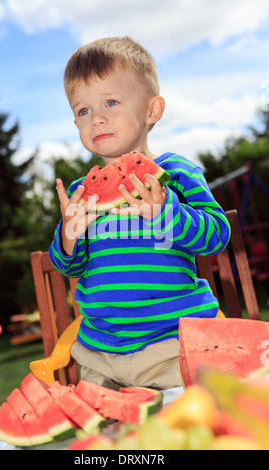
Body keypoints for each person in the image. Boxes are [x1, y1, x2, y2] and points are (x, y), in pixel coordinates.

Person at [49, 36, 230, 391]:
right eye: (83, 111)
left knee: (183, 425)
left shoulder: (177, 173)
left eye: (110, 102)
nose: (96, 119)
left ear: (152, 110)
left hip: (171, 344)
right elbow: (70, 265)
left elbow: (217, 236)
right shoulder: (80, 192)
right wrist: (69, 235)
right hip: (101, 352)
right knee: (102, 435)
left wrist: (168, 213)